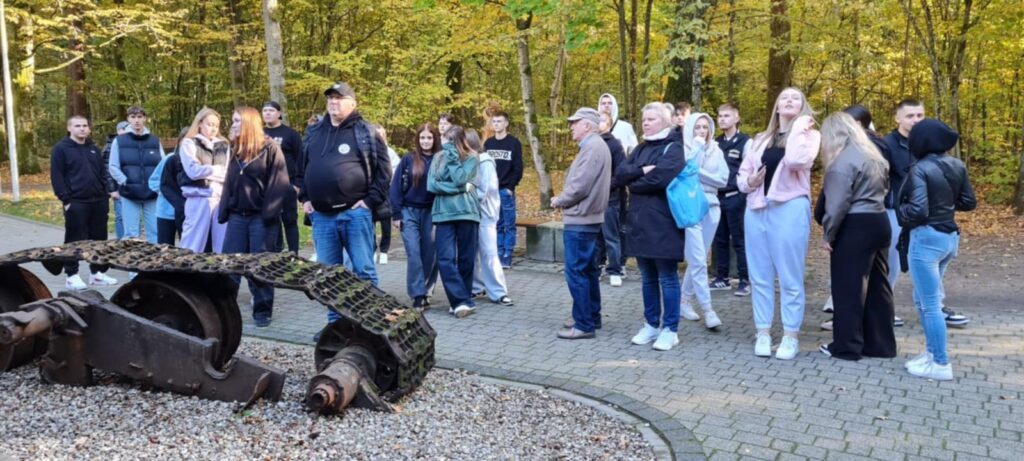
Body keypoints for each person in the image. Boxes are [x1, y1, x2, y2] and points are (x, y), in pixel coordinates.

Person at [297, 82, 390, 327]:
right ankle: (336, 326)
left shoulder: (366, 132)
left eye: (339, 98)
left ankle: (369, 323)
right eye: (330, 98)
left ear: (353, 103)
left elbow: (383, 172)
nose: (333, 102)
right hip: (322, 217)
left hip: (355, 214)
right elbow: (301, 168)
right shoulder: (315, 132)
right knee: (329, 275)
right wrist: (305, 198)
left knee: (364, 271)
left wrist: (369, 202)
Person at [737, 87, 820, 360]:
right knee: (759, 275)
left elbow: (797, 160)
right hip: (757, 209)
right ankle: (763, 332)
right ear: (776, 105)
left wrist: (799, 126)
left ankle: (790, 335)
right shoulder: (761, 139)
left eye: (796, 98)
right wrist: (750, 182)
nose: (789, 101)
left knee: (789, 275)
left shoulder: (809, 136)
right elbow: (742, 176)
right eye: (784, 97)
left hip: (790, 208)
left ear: (803, 107)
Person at [897, 118, 976, 381]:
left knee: (930, 304)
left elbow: (917, 210)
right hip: (950, 239)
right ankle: (931, 355)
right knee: (924, 300)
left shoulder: (920, 168)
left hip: (926, 239)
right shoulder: (957, 165)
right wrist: (944, 203)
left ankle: (941, 363)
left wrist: (900, 210)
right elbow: (968, 202)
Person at [815, 112, 896, 361]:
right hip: (880, 221)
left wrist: (829, 234)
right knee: (878, 287)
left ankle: (847, 346)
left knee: (847, 287)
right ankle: (881, 344)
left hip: (855, 225)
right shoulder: (874, 157)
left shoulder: (841, 164)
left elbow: (837, 205)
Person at [883, 100, 970, 328]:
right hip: (897, 212)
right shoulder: (887, 145)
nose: (916, 120)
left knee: (929, 265)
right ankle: (884, 308)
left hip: (930, 219)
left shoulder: (932, 146)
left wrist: (943, 206)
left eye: (920, 115)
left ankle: (937, 307)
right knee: (891, 261)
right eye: (910, 116)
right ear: (897, 119)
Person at [616, 103, 687, 351]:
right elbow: (620, 174)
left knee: (667, 278)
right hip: (638, 222)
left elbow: (660, 178)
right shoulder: (641, 148)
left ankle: (670, 329)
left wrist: (634, 183)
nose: (645, 123)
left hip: (664, 223)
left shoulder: (674, 148)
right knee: (647, 278)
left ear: (666, 121)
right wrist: (639, 173)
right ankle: (651, 324)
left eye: (651, 119)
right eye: (643, 119)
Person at [219, 107, 291, 328]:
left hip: (261, 217)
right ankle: (223, 310)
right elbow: (229, 183)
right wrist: (225, 210)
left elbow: (279, 183)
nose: (233, 125)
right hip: (238, 217)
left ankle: (262, 310)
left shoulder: (270, 149)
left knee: (260, 266)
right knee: (230, 265)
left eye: (238, 121)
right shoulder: (235, 150)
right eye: (233, 121)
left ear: (249, 123)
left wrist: (268, 213)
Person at [553, 108, 612, 340]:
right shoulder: (595, 147)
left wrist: (560, 200)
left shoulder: (593, 147)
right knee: (587, 270)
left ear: (587, 125)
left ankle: (584, 323)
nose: (571, 127)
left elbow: (580, 186)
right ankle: (590, 316)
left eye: (575, 123)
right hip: (588, 217)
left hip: (581, 218)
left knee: (576, 271)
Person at [51, 115, 118, 290]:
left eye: (85, 126)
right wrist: (65, 199)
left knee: (99, 238)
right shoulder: (61, 149)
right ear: (69, 128)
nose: (82, 129)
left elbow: (103, 172)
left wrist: (105, 193)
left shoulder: (93, 148)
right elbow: (57, 176)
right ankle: (71, 275)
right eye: (78, 126)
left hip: (98, 201)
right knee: (75, 239)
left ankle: (97, 273)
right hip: (76, 201)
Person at [678, 112, 729, 330]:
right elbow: (688, 170)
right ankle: (708, 309)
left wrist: (700, 173)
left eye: (705, 127)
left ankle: (684, 300)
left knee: (699, 257)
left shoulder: (717, 150)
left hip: (713, 206)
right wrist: (697, 152)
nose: (702, 131)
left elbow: (723, 179)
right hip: (692, 206)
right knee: (698, 259)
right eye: (697, 127)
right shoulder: (685, 150)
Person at [428, 126, 481, 318]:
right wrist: (458, 189)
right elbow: (431, 185)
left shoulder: (472, 157)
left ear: (458, 141)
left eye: (449, 140)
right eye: (443, 138)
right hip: (443, 214)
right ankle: (460, 300)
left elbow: (460, 177)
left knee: (466, 259)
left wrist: (452, 155)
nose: (444, 142)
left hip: (467, 212)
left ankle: (461, 300)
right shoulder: (437, 157)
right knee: (445, 258)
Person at [389, 123, 441, 309]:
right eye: (422, 138)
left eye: (429, 137)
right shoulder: (408, 159)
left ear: (435, 139)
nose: (425, 141)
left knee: (429, 253)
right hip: (409, 211)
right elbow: (395, 188)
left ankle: (426, 289)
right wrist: (396, 213)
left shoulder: (440, 159)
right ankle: (417, 294)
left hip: (433, 212)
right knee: (414, 253)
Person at [711, 103, 752, 296]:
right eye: (719, 116)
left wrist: (744, 195)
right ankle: (722, 277)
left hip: (736, 197)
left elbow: (750, 169)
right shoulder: (715, 143)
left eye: (726, 116)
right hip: (717, 197)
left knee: (740, 239)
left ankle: (745, 280)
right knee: (719, 239)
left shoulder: (745, 142)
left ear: (736, 118)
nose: (722, 119)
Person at [469, 129, 513, 306]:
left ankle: (498, 292)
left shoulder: (485, 162)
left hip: (485, 214)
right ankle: (476, 287)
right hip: (472, 214)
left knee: (489, 253)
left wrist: (465, 193)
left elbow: (483, 191)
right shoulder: (470, 161)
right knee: (471, 253)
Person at [109, 105, 165, 243]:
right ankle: (131, 263)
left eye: (140, 117)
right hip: (129, 193)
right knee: (131, 234)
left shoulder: (154, 141)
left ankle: (154, 263)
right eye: (133, 117)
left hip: (151, 194)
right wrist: (125, 181)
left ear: (145, 119)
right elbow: (113, 166)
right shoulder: (119, 141)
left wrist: (157, 185)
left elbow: (163, 165)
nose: (137, 121)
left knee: (155, 232)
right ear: (128, 119)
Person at [178, 107, 230, 253]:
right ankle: (186, 271)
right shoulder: (189, 143)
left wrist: (206, 170)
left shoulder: (224, 145)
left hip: (220, 198)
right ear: (199, 123)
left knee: (222, 244)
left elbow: (229, 173)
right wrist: (217, 170)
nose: (213, 128)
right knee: (192, 243)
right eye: (209, 124)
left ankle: (221, 274)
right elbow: (193, 172)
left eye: (216, 125)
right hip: (198, 197)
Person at [483, 110, 524, 269]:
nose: (497, 124)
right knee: (496, 224)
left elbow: (518, 167)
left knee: (509, 223)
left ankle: (507, 253)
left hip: (506, 190)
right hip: (491, 191)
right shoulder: (488, 144)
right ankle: (498, 252)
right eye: (494, 122)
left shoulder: (513, 143)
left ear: (506, 123)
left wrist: (510, 187)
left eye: (499, 121)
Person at [262, 101, 303, 254]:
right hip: (266, 187)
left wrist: (298, 184)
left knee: (290, 220)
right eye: (265, 110)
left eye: (271, 110)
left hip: (287, 184)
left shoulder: (290, 134)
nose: (267, 113)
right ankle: (275, 253)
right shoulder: (259, 133)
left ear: (279, 113)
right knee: (271, 220)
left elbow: (301, 159)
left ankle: (294, 254)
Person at [594, 111, 627, 287]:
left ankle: (614, 270)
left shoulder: (614, 144)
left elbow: (622, 173)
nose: (598, 123)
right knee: (596, 236)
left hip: (610, 198)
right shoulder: (589, 143)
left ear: (609, 124)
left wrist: (606, 186)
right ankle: (598, 266)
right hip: (593, 199)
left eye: (602, 120)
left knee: (611, 236)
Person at [149, 128, 188, 245]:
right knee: (165, 248)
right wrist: (167, 192)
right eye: (186, 139)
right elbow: (153, 181)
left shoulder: (196, 162)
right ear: (180, 141)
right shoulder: (169, 159)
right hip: (166, 212)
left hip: (185, 213)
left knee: (187, 247)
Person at [373, 125, 401, 265]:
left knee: (385, 224)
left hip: (386, 193)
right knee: (369, 224)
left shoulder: (390, 152)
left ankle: (384, 251)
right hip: (370, 193)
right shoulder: (366, 150)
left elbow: (396, 172)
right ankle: (372, 250)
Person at [101, 120, 129, 240]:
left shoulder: (131, 144)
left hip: (130, 186)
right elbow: (106, 169)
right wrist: (112, 189)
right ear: (119, 131)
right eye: (126, 129)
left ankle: (131, 240)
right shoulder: (110, 145)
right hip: (117, 187)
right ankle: (121, 241)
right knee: (121, 216)